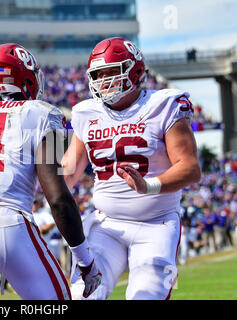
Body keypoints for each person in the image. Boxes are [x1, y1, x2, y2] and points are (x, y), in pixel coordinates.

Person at [0, 43, 102, 300]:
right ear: (24, 78)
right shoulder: (44, 114)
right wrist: (84, 259)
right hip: (11, 225)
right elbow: (57, 199)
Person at [61, 37, 201, 300]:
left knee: (145, 296)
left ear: (135, 70)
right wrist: (31, 179)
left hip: (156, 224)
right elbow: (68, 170)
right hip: (106, 224)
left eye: (112, 71)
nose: (104, 80)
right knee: (83, 296)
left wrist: (149, 185)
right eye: (98, 74)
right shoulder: (85, 112)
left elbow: (190, 168)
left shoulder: (164, 104)